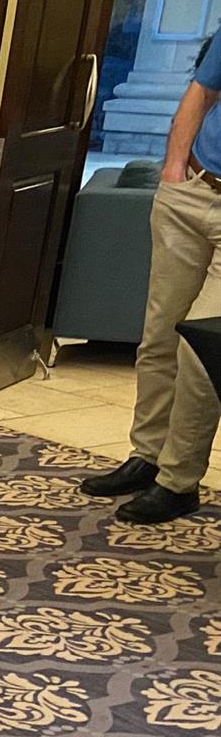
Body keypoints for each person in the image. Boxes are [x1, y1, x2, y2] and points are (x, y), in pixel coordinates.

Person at [81, 33, 221, 524]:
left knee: (202, 354)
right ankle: (148, 457)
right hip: (191, 192)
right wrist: (173, 169)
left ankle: (178, 482)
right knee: (159, 335)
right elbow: (202, 92)